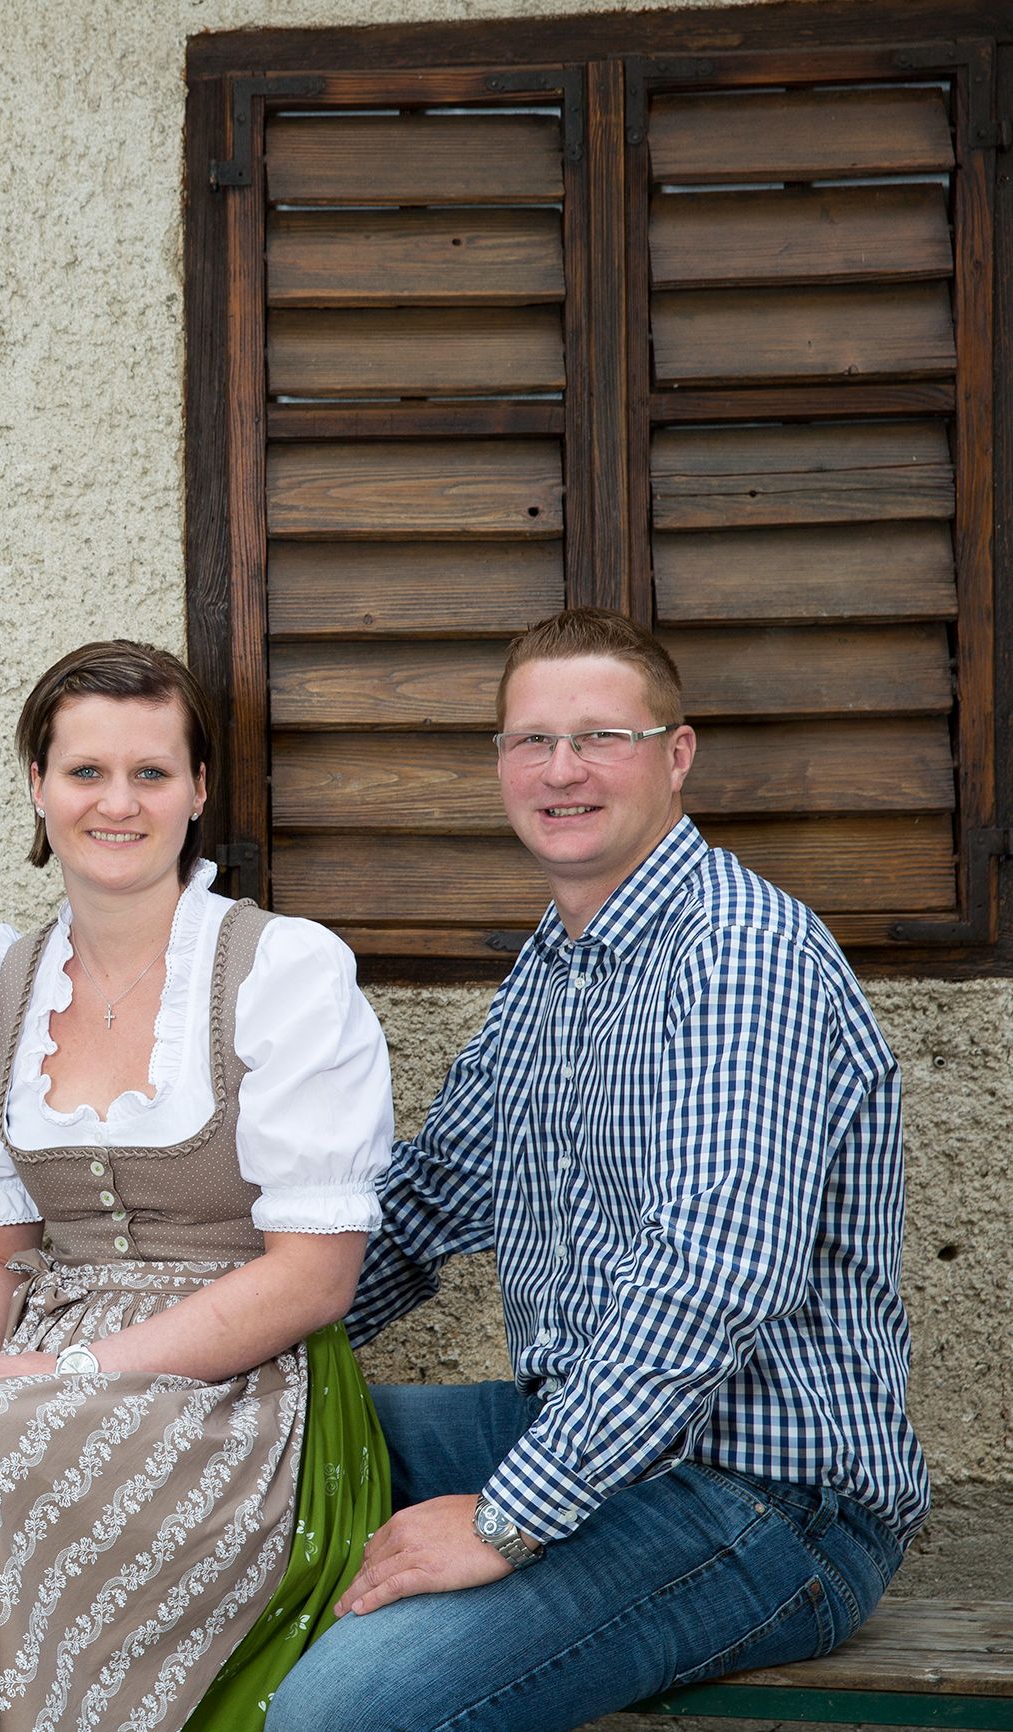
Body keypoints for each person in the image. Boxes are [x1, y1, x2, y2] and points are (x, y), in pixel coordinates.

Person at [267, 608, 931, 1732]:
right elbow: (429, 1200)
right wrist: (212, 1344)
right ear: (500, 765)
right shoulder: (558, 963)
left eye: (601, 738)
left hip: (766, 1499)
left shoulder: (739, 955)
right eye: (533, 740)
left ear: (677, 755)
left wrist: (503, 1518)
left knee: (342, 1712)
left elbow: (713, 1277)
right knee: (231, 1454)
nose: (562, 769)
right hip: (577, 1425)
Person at [0, 638, 394, 1732]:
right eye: (85, 771)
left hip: (239, 1394)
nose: (117, 802)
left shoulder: (282, 971)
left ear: (198, 790)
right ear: (38, 785)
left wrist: (55, 1374)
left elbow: (312, 1280)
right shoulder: (2, 984)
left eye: (151, 772)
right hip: (35, 1374)